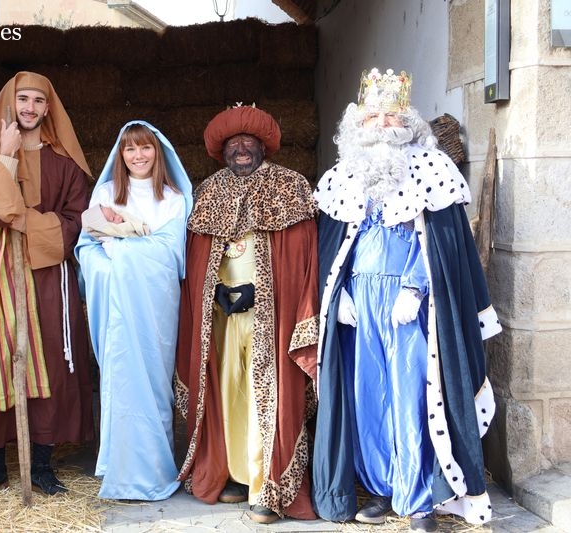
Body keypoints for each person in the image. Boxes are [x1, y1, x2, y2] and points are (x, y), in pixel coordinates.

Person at [311, 68, 502, 532]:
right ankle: (382, 490)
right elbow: (333, 247)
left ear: (408, 123)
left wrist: (415, 287)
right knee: (368, 399)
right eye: (372, 117)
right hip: (360, 304)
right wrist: (337, 294)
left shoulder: (433, 170)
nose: (382, 125)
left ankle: (416, 500)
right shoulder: (341, 177)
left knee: (412, 399)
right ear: (358, 125)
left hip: (410, 306)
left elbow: (440, 244)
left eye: (391, 117)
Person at [175, 104, 320, 524]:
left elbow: (302, 258)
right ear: (221, 150)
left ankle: (267, 486)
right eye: (233, 143)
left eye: (248, 141)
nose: (240, 149)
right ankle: (235, 475)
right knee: (228, 394)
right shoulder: (208, 191)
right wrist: (215, 291)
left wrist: (263, 291)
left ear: (262, 146)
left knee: (267, 397)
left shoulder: (290, 187)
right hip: (222, 318)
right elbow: (197, 259)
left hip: (272, 316)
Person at [0, 71, 95, 497]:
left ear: (48, 108)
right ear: (10, 103)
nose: (30, 108)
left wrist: (22, 221)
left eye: (38, 100)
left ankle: (40, 465)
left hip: (49, 274)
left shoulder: (65, 162)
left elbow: (76, 221)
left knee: (51, 358)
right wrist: (6, 157)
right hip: (0, 274)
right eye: (23, 99)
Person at [75, 121, 192, 500]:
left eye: (145, 148)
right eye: (130, 149)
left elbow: (171, 254)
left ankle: (155, 471)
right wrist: (112, 259)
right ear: (120, 154)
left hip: (155, 306)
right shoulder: (106, 193)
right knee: (120, 379)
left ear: (158, 153)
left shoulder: (173, 199)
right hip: (116, 304)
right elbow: (87, 250)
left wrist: (120, 250)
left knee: (153, 382)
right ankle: (120, 470)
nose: (138, 156)